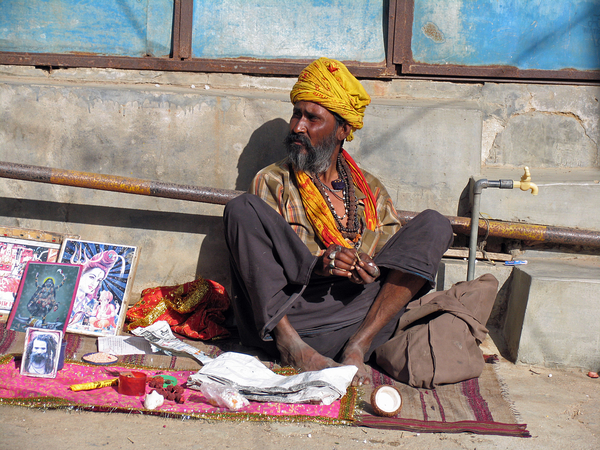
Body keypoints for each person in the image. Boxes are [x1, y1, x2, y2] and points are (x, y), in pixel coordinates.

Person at [223, 57, 454, 386]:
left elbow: (392, 261)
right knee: (240, 209)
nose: (298, 127)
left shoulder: (370, 189)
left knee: (435, 224)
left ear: (343, 129)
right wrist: (322, 264)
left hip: (359, 316)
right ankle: (293, 349)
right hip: (293, 314)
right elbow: (266, 270)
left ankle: (358, 347)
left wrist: (367, 266)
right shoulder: (273, 180)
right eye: (296, 114)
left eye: (312, 118)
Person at [69, 250, 120, 327]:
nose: (94, 283)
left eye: (98, 280)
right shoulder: (63, 296)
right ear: (81, 273)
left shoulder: (92, 304)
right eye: (92, 277)